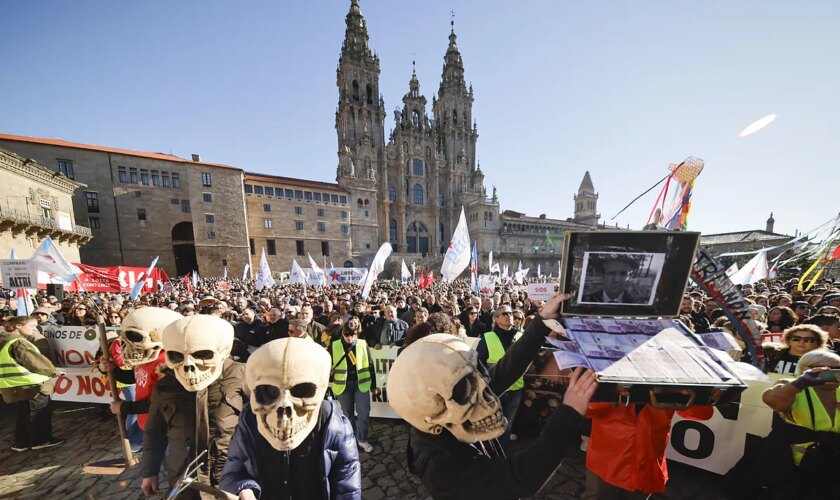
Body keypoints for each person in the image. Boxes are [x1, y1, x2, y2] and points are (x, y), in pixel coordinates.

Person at [390, 293, 598, 500]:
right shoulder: (440, 467)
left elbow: (504, 371)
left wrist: (542, 321)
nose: (485, 389)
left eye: (476, 372)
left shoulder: (440, 411)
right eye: (464, 390)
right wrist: (568, 414)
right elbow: (519, 478)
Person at [221, 338, 361, 499]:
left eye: (302, 391)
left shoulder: (333, 425)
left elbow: (348, 484)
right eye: (269, 392)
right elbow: (232, 472)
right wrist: (244, 489)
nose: (284, 409)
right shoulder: (249, 421)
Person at [583, 403, 712, 498]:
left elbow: (703, 413)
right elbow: (585, 408)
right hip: (606, 462)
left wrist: (681, 387)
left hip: (646, 464)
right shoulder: (604, 367)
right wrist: (613, 392)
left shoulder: (671, 370)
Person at [761, 349, 840, 498]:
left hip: (834, 465)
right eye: (829, 370)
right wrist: (801, 382)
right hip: (799, 468)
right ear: (806, 369)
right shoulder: (793, 387)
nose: (836, 374)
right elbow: (772, 400)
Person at [0, 316, 64, 452]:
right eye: (32, 326)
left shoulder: (3, 340)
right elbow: (34, 361)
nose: (35, 329)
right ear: (18, 326)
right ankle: (40, 440)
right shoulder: (18, 342)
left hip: (13, 386)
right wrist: (54, 371)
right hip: (31, 385)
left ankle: (21, 442)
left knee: (23, 415)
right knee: (38, 413)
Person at [476, 304, 525, 447]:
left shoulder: (521, 336)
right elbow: (479, 362)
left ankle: (501, 453)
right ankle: (488, 449)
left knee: (507, 423)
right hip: (494, 388)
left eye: (511, 314)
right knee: (492, 422)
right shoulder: (487, 337)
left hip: (515, 387)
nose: (510, 316)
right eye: (505, 314)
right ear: (496, 319)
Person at [331, 316, 377, 452]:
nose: (349, 338)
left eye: (352, 335)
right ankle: (351, 439)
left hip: (361, 383)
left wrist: (373, 385)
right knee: (347, 415)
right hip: (343, 385)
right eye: (346, 335)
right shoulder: (334, 345)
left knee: (364, 413)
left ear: (357, 333)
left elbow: (370, 364)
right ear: (342, 333)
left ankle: (362, 439)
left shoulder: (362, 344)